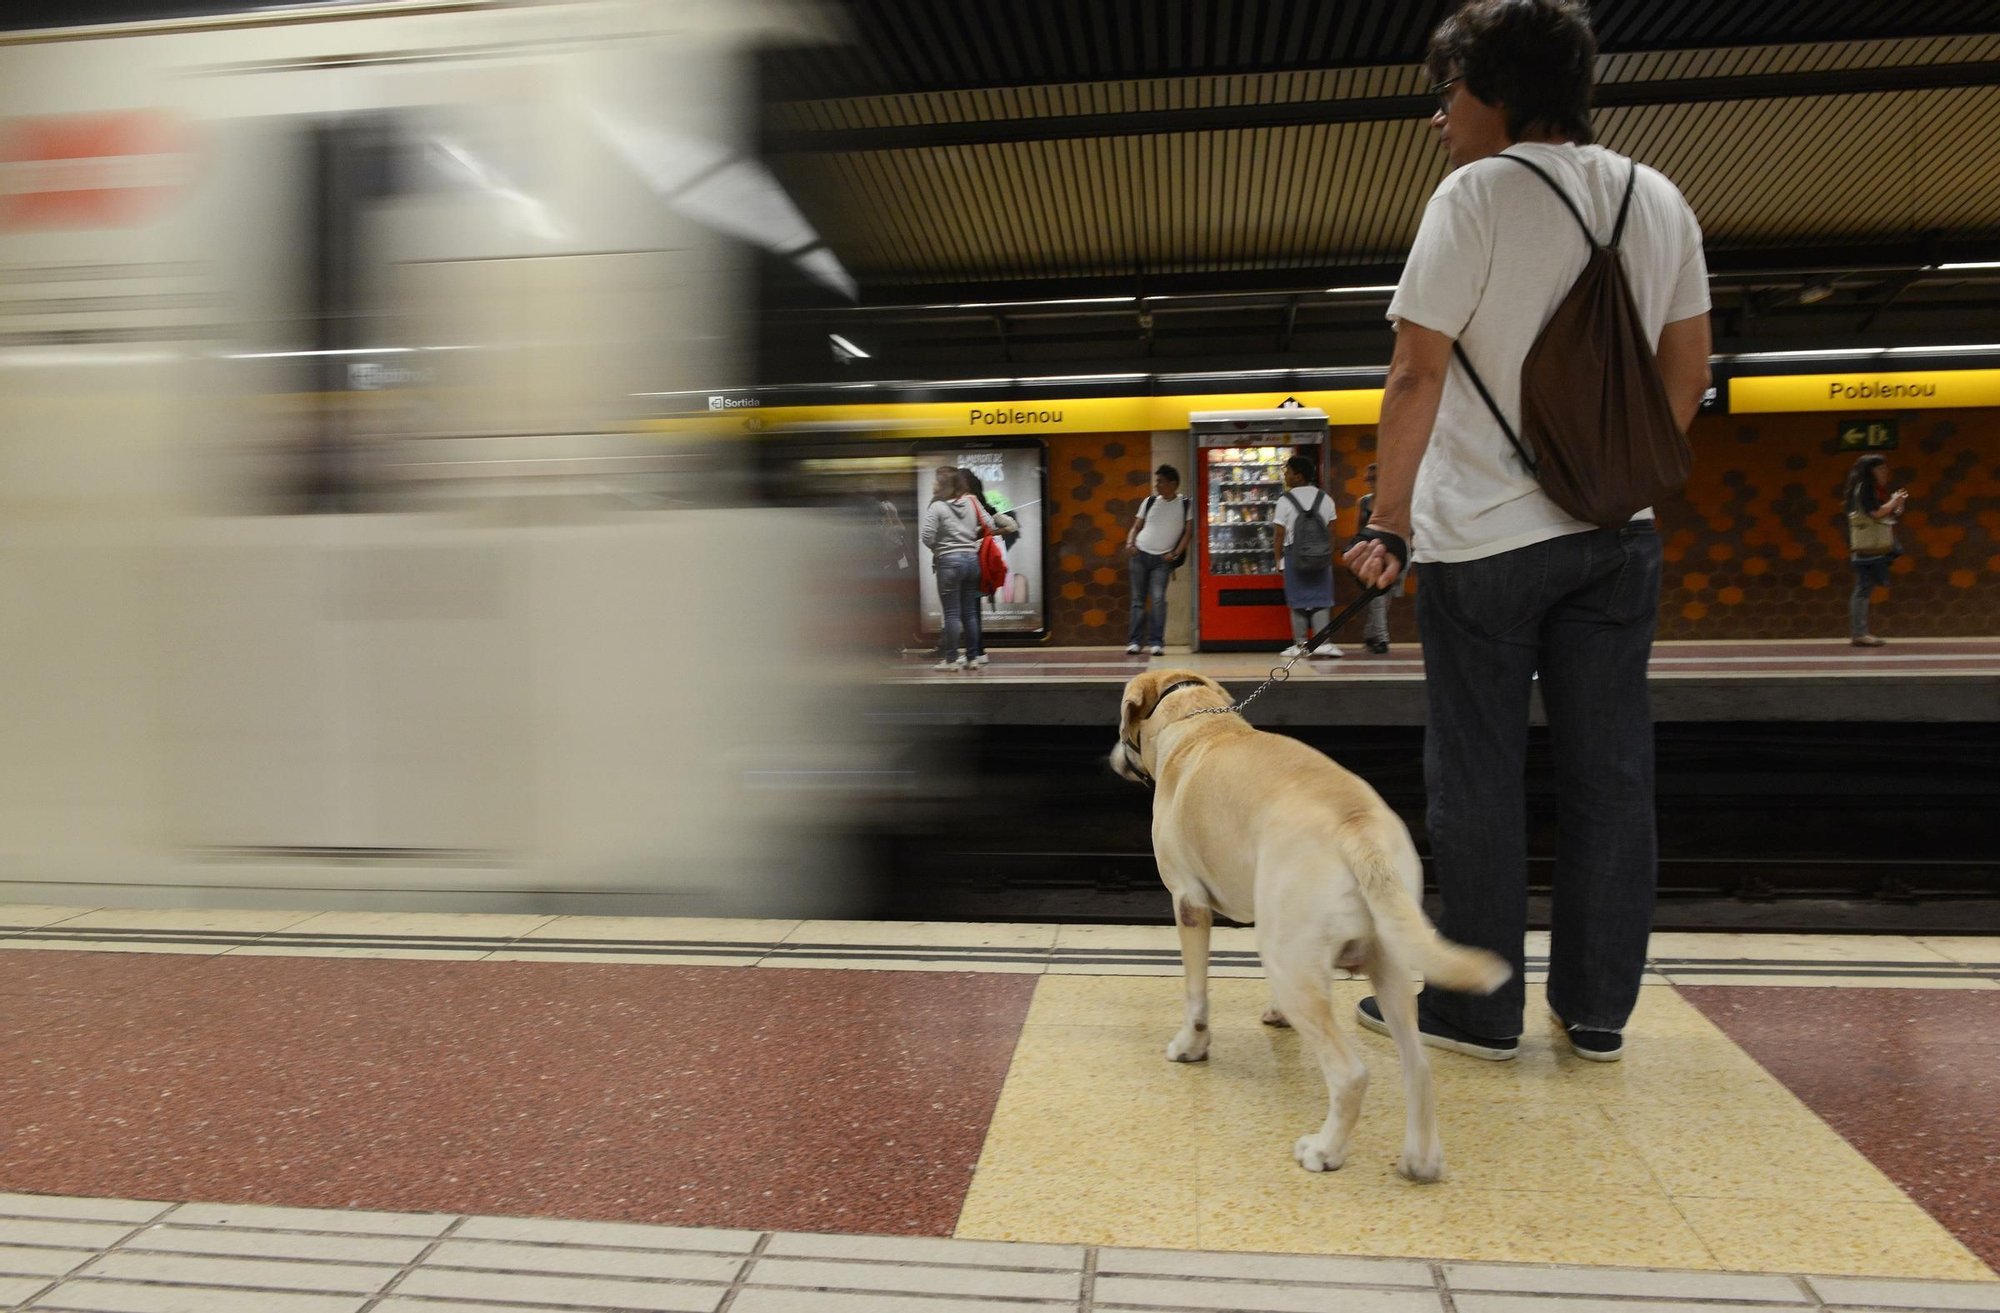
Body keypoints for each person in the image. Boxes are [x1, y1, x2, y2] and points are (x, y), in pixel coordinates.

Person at [1342, 0, 1713, 1064]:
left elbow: (1414, 372)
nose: (1436, 119)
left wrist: (1387, 520)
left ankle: (1477, 1005)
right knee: (1609, 774)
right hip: (1616, 536)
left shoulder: (1473, 196)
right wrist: (1608, 478)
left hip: (1481, 544)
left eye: (1444, 94)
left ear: (1493, 91)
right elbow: (1684, 375)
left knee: (1478, 774)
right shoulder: (1658, 197)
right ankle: (1594, 1010)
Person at [919, 467, 1014, 671]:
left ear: (944, 484)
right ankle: (973, 657)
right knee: (970, 613)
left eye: (936, 481)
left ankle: (951, 660)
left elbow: (927, 536)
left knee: (952, 613)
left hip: (949, 561)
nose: (933, 484)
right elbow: (988, 523)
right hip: (971, 560)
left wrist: (939, 549)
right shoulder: (972, 501)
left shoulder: (937, 506)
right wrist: (969, 536)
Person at [1272, 455, 1342, 659]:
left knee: (1298, 599)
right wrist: (1327, 554)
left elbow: (1278, 534)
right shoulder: (1325, 498)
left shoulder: (1285, 500)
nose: (1285, 476)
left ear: (1299, 476)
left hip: (1294, 555)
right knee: (1321, 599)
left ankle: (1300, 644)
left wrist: (1278, 560)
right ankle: (1323, 643)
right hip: (1321, 556)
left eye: (1288, 472)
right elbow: (1333, 531)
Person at [1123, 464, 1191, 656]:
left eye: (1160, 482)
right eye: (1157, 481)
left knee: (1158, 599)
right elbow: (1136, 527)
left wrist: (1175, 553)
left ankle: (1156, 642)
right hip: (1140, 554)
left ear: (1173, 483)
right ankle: (1135, 642)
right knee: (1138, 600)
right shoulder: (1150, 501)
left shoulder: (1185, 504)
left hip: (1162, 560)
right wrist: (1130, 544)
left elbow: (1188, 533)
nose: (1157, 485)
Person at [1844, 454, 1908, 648]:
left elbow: (1886, 515)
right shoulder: (1864, 487)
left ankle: (1860, 632)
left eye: (1885, 469)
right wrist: (1893, 501)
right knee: (1863, 588)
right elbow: (1876, 513)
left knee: (1865, 587)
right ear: (1870, 471)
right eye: (1880, 469)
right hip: (1867, 548)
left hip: (1872, 546)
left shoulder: (1872, 489)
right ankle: (1859, 633)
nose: (1885, 472)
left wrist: (1897, 504)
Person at [1357, 462, 1392, 654]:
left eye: (1373, 478)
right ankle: (1383, 639)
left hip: (1393, 553)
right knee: (1377, 597)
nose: (1369, 482)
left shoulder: (1394, 501)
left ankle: (1370, 634)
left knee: (1385, 599)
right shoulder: (1363, 502)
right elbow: (1358, 529)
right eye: (1367, 478)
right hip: (1371, 554)